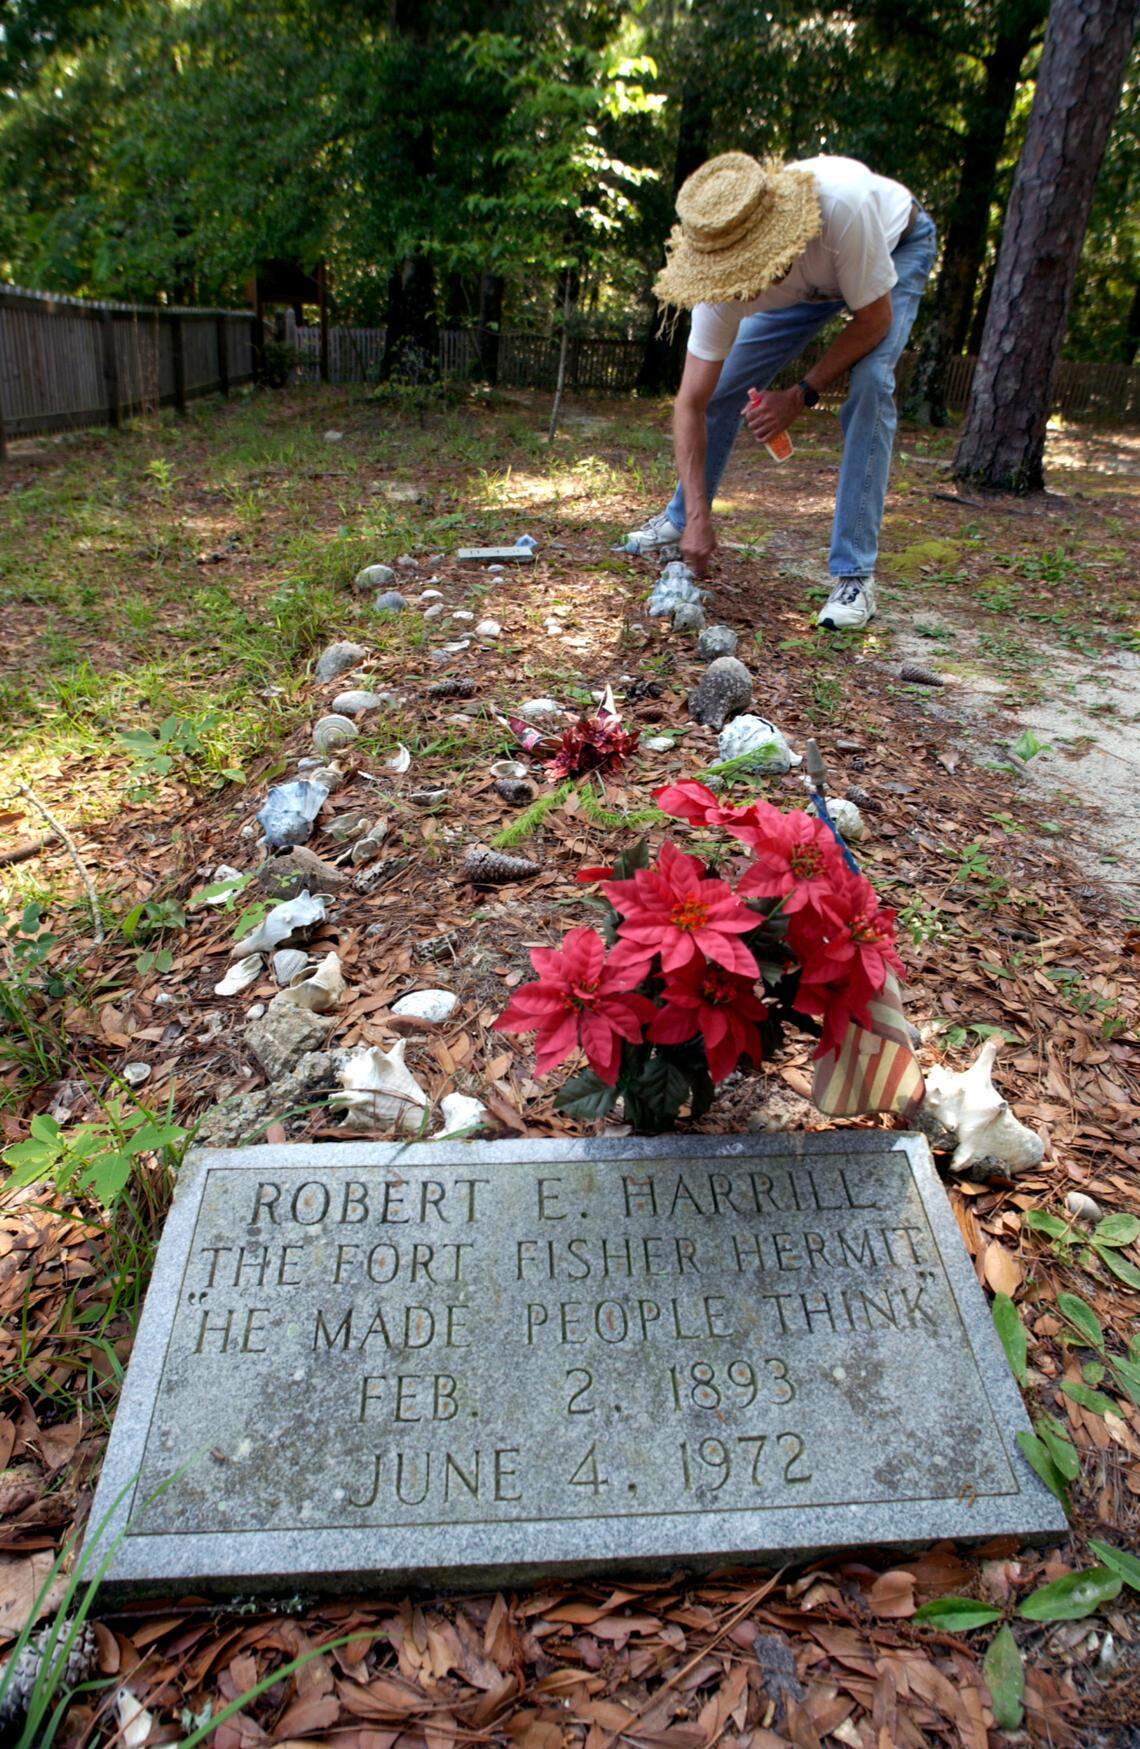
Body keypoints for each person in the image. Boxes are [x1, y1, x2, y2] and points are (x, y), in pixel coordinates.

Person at [623, 152, 937, 629]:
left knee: (872, 385)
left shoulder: (841, 212)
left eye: (745, 274)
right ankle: (680, 518)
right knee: (722, 387)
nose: (739, 294)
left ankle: (855, 576)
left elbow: (874, 322)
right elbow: (691, 403)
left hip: (893, 246)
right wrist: (698, 513)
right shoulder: (719, 282)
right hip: (810, 280)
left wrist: (799, 395)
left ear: (772, 250)